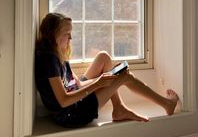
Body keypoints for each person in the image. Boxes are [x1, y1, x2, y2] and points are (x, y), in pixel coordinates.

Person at [35, 12, 179, 128]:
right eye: (67, 33)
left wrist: (103, 79)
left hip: (75, 98)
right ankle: (166, 104)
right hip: (71, 114)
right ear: (53, 34)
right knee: (124, 76)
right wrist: (98, 84)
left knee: (104, 57)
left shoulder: (58, 53)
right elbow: (64, 101)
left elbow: (76, 84)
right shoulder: (48, 60)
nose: (70, 38)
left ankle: (119, 107)